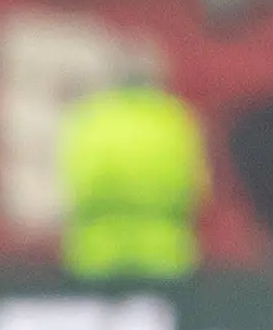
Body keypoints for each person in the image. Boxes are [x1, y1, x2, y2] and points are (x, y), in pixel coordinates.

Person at [57, 67, 208, 277]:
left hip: (99, 248)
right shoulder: (174, 119)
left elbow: (77, 182)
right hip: (163, 248)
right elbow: (196, 186)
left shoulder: (92, 119)